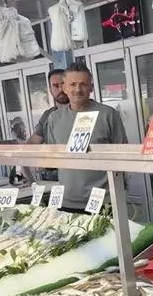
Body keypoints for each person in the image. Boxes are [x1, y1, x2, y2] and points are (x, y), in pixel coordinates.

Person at [38, 61, 129, 209]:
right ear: (65, 87)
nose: (78, 89)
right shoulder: (54, 118)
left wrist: (120, 191)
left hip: (104, 201)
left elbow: (122, 156)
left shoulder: (108, 114)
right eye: (72, 84)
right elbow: (53, 159)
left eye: (83, 84)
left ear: (91, 87)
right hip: (67, 201)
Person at [26, 69, 67, 145]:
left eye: (63, 84)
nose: (61, 89)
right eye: (56, 86)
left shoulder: (82, 111)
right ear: (50, 90)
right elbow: (33, 143)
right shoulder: (47, 115)